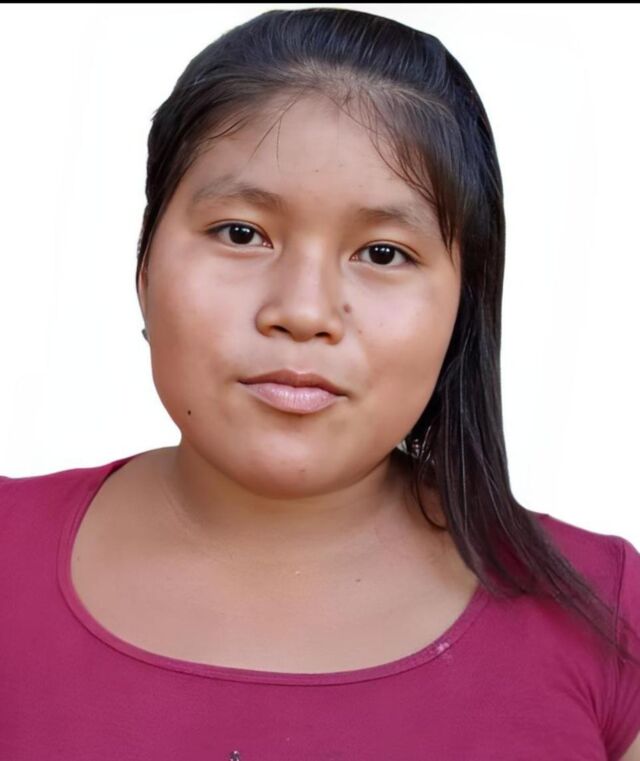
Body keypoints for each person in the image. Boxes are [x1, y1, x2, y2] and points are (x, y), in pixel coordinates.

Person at [1, 7, 639, 760]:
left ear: (465, 303)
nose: (303, 312)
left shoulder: (608, 616)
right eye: (241, 233)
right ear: (143, 264)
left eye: (383, 252)